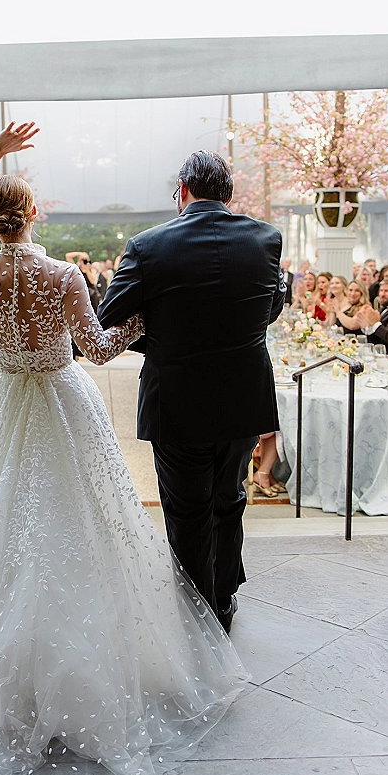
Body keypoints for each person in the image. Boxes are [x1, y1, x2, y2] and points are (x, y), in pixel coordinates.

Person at [0, 123, 248, 775]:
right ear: (34, 215)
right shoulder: (62, 274)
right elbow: (99, 349)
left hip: (4, 401)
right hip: (63, 405)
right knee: (80, 539)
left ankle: (3, 680)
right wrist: (150, 324)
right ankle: (75, 677)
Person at [98, 149, 285, 631]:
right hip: (244, 397)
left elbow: (107, 319)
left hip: (177, 401)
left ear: (182, 192)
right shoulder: (266, 239)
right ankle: (223, 598)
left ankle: (197, 609)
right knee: (230, 499)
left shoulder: (147, 246)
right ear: (229, 193)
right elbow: (272, 307)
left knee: (186, 509)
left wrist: (162, 341)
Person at [356, 280, 388, 354]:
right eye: (381, 291)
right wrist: (368, 328)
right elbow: (378, 339)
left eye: (386, 291)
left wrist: (375, 324)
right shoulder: (381, 310)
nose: (382, 294)